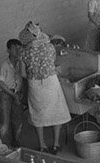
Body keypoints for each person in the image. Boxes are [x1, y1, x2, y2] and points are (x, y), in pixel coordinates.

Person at [19, 20, 71, 154]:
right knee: (56, 110)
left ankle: (42, 145)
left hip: (35, 84)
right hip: (51, 82)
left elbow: (23, 74)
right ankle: (56, 144)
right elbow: (52, 64)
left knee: (38, 113)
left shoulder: (23, 52)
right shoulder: (49, 47)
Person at [0, 38, 26, 147]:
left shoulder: (21, 63)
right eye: (14, 49)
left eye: (19, 48)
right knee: (4, 123)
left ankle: (16, 144)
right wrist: (13, 95)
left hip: (17, 93)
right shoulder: (4, 65)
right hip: (6, 94)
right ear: (8, 50)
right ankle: (0, 147)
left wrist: (21, 63)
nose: (17, 51)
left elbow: (24, 76)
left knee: (17, 121)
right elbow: (1, 83)